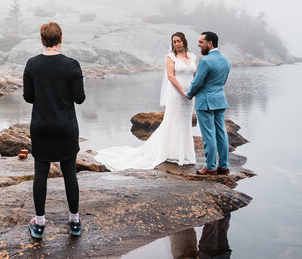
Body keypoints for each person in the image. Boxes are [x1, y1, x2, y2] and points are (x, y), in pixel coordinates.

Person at [95, 32, 197, 170]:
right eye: (174, 42)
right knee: (173, 121)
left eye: (179, 41)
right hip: (177, 94)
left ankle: (184, 152)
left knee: (185, 122)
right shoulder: (170, 57)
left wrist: (193, 89)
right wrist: (183, 91)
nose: (177, 44)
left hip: (190, 96)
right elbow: (171, 77)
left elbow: (195, 74)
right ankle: (171, 152)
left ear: (184, 41)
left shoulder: (193, 56)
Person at [23, 22, 86, 239]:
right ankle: (75, 221)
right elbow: (79, 98)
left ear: (42, 40)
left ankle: (39, 223)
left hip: (41, 125)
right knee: (70, 173)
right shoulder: (72, 65)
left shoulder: (32, 64)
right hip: (66, 126)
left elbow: (28, 97)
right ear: (61, 39)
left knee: (40, 173)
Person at [185, 31, 231, 175]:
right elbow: (222, 82)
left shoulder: (205, 61)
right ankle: (224, 166)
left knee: (209, 135)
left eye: (201, 42)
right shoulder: (225, 60)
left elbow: (197, 82)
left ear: (210, 43)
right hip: (220, 100)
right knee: (221, 133)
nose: (199, 45)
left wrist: (189, 94)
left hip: (205, 102)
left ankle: (210, 167)